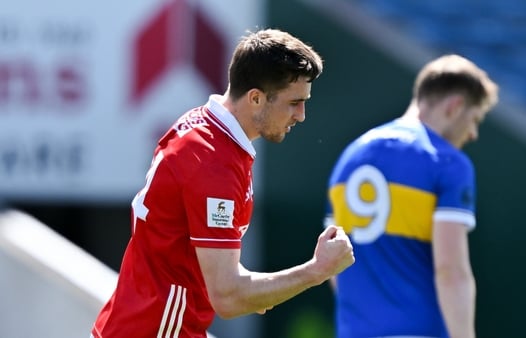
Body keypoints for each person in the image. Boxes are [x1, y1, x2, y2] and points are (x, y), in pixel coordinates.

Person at [91, 28, 355, 338]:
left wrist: (258, 289)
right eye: (294, 102)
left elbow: (212, 271)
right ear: (256, 98)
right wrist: (317, 270)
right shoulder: (213, 162)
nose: (302, 115)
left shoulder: (207, 130)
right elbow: (228, 297)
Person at [324, 54, 499, 338]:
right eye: (475, 119)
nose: (473, 133)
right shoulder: (446, 162)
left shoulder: (349, 158)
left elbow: (333, 268)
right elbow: (450, 271)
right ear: (455, 107)